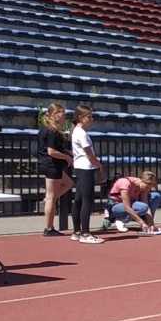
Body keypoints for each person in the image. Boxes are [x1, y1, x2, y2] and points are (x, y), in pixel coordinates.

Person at [37, 101, 74, 236]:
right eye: (62, 114)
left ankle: (49, 201)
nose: (64, 116)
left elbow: (53, 147)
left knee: (69, 183)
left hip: (47, 164)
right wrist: (66, 157)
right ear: (54, 115)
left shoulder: (45, 128)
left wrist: (67, 152)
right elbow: (51, 151)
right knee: (52, 198)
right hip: (51, 164)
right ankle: (49, 227)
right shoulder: (51, 130)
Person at [68, 104, 103, 244]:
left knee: (79, 199)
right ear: (81, 117)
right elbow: (89, 154)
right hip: (85, 167)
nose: (91, 119)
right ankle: (85, 232)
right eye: (89, 116)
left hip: (80, 166)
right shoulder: (81, 133)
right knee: (87, 200)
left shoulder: (76, 132)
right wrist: (98, 164)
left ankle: (77, 231)